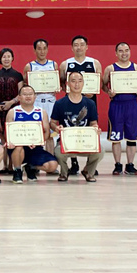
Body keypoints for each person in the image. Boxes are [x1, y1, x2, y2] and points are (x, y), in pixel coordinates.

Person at [59, 35, 102, 175]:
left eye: (82, 44)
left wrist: (91, 92)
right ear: (72, 48)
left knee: (90, 130)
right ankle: (74, 162)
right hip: (71, 103)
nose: (79, 47)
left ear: (87, 47)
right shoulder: (65, 64)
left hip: (89, 103)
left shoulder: (94, 63)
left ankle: (90, 166)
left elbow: (99, 83)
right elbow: (62, 83)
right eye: (76, 45)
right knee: (72, 130)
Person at [51, 72, 104, 183]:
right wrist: (56, 128)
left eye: (80, 81)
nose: (76, 84)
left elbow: (93, 123)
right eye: (73, 81)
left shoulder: (90, 103)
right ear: (68, 84)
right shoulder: (60, 103)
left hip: (85, 141)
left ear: (83, 83)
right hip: (66, 142)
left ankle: (88, 171)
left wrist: (95, 128)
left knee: (100, 151)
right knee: (58, 152)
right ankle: (64, 172)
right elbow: (52, 122)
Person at [102, 42, 137, 176]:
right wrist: (109, 92)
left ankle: (130, 165)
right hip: (116, 105)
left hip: (132, 105)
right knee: (116, 137)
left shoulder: (136, 68)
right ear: (116, 53)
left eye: (126, 50)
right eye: (120, 51)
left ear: (130, 51)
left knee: (132, 137)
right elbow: (103, 85)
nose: (124, 53)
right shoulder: (110, 68)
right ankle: (117, 165)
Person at [5, 84, 58, 183]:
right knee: (19, 147)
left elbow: (46, 132)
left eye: (30, 94)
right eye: (25, 94)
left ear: (35, 96)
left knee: (52, 165)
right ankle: (17, 171)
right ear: (19, 97)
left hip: (35, 147)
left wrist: (38, 142)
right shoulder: (13, 112)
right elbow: (8, 132)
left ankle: (30, 167)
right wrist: (13, 142)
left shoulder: (41, 112)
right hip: (17, 147)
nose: (28, 96)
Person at [0, 47, 23, 173]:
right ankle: (4, 166)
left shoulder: (18, 75)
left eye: (9, 56)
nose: (6, 59)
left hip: (13, 109)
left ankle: (12, 165)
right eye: (4, 57)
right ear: (0, 59)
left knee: (11, 137)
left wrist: (11, 103)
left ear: (12, 58)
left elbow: (20, 93)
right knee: (2, 137)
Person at [22, 39, 59, 155]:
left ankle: (50, 159)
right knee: (35, 131)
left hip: (50, 101)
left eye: (44, 48)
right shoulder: (29, 66)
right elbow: (24, 85)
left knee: (51, 133)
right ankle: (34, 160)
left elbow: (59, 83)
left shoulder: (53, 65)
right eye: (39, 49)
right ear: (34, 50)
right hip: (36, 101)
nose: (42, 51)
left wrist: (57, 87)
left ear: (47, 49)